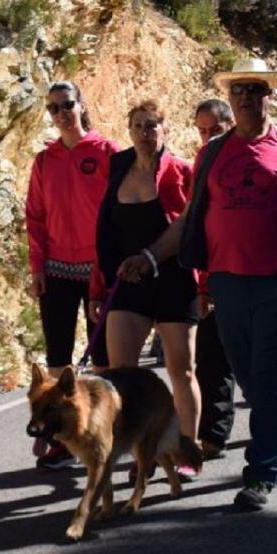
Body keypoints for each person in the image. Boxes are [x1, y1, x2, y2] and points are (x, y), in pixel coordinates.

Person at [117, 58, 277, 512]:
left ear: (268, 95)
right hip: (228, 283)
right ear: (230, 98)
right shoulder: (213, 154)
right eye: (239, 90)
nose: (248, 97)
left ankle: (260, 473)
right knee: (250, 379)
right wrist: (152, 256)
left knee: (270, 378)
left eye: (255, 90)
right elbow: (191, 218)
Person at [91, 100, 199, 479]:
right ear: (129, 130)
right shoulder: (116, 169)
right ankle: (143, 455)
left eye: (152, 126)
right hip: (127, 282)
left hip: (173, 280)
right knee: (122, 374)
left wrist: (206, 283)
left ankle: (187, 449)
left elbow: (190, 228)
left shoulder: (182, 171)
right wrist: (97, 286)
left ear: (165, 130)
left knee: (181, 371)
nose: (145, 133)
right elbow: (104, 233)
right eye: (138, 125)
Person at [25, 81, 120, 470]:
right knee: (57, 359)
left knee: (103, 360)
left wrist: (112, 264)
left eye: (67, 105)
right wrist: (37, 267)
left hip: (99, 269)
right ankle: (61, 438)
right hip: (57, 270)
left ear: (81, 105)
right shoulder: (44, 160)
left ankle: (107, 432)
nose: (62, 113)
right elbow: (35, 216)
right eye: (53, 108)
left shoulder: (106, 152)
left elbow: (119, 211)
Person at [191, 99, 236, 461]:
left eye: (214, 131)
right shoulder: (201, 160)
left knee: (254, 364)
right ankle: (214, 433)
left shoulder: (249, 154)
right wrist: (202, 283)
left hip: (255, 273)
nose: (207, 138)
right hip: (214, 273)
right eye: (202, 131)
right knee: (211, 358)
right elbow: (197, 223)